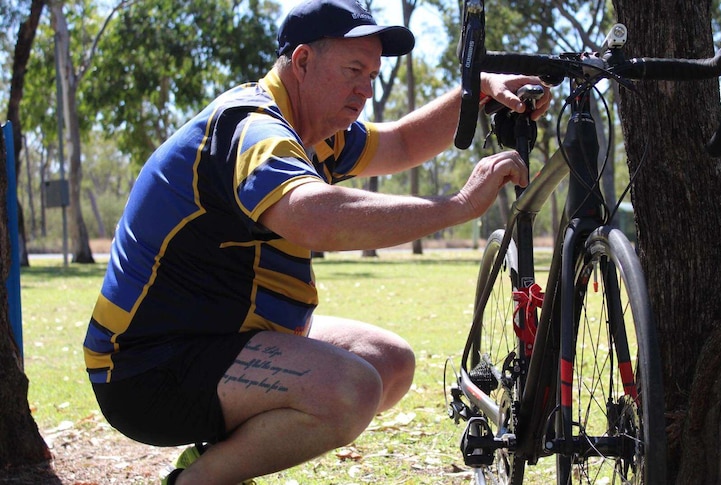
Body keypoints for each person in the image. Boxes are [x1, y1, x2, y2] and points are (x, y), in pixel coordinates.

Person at [83, 1, 551, 483]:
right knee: (351, 389)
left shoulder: (317, 134)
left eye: (372, 74)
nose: (365, 89)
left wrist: (478, 92)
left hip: (220, 340)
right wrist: (456, 206)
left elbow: (402, 144)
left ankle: (212, 458)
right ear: (302, 61)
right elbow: (311, 215)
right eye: (354, 70)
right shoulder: (254, 129)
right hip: (144, 368)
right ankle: (195, 482)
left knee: (389, 362)